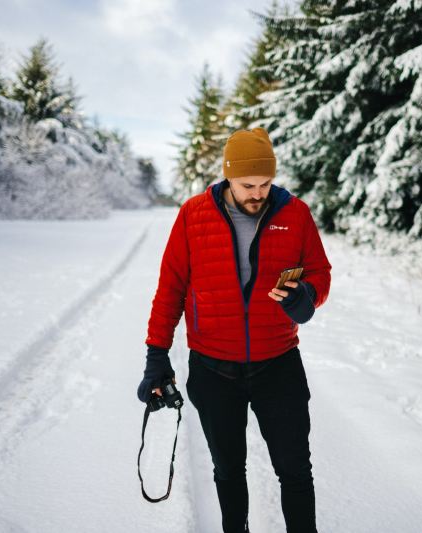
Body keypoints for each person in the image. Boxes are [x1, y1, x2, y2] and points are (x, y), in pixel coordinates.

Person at [138, 127, 332, 533]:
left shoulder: (294, 214)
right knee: (228, 469)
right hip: (213, 369)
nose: (257, 193)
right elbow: (170, 287)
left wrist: (306, 297)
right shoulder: (193, 215)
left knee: (295, 468)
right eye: (247, 185)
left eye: (265, 183)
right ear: (228, 176)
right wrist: (157, 355)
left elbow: (320, 273)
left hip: (278, 364)